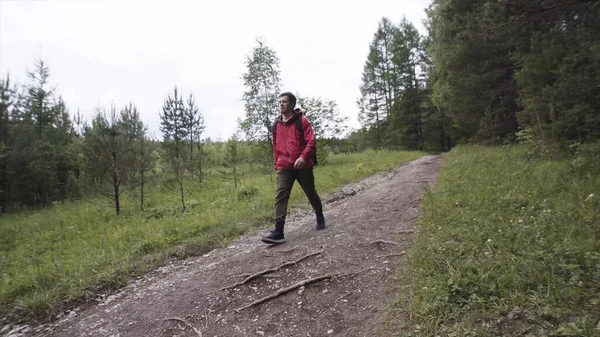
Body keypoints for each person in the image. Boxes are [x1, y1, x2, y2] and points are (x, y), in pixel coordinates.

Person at [261, 92, 325, 244]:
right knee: (281, 195)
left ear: (292, 104)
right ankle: (278, 231)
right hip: (284, 166)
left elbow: (311, 142)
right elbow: (275, 146)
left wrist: (303, 157)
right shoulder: (276, 125)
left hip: (303, 166)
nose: (281, 104)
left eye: (284, 102)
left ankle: (319, 214)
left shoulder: (302, 122)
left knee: (310, 192)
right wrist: (277, 164)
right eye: (280, 102)